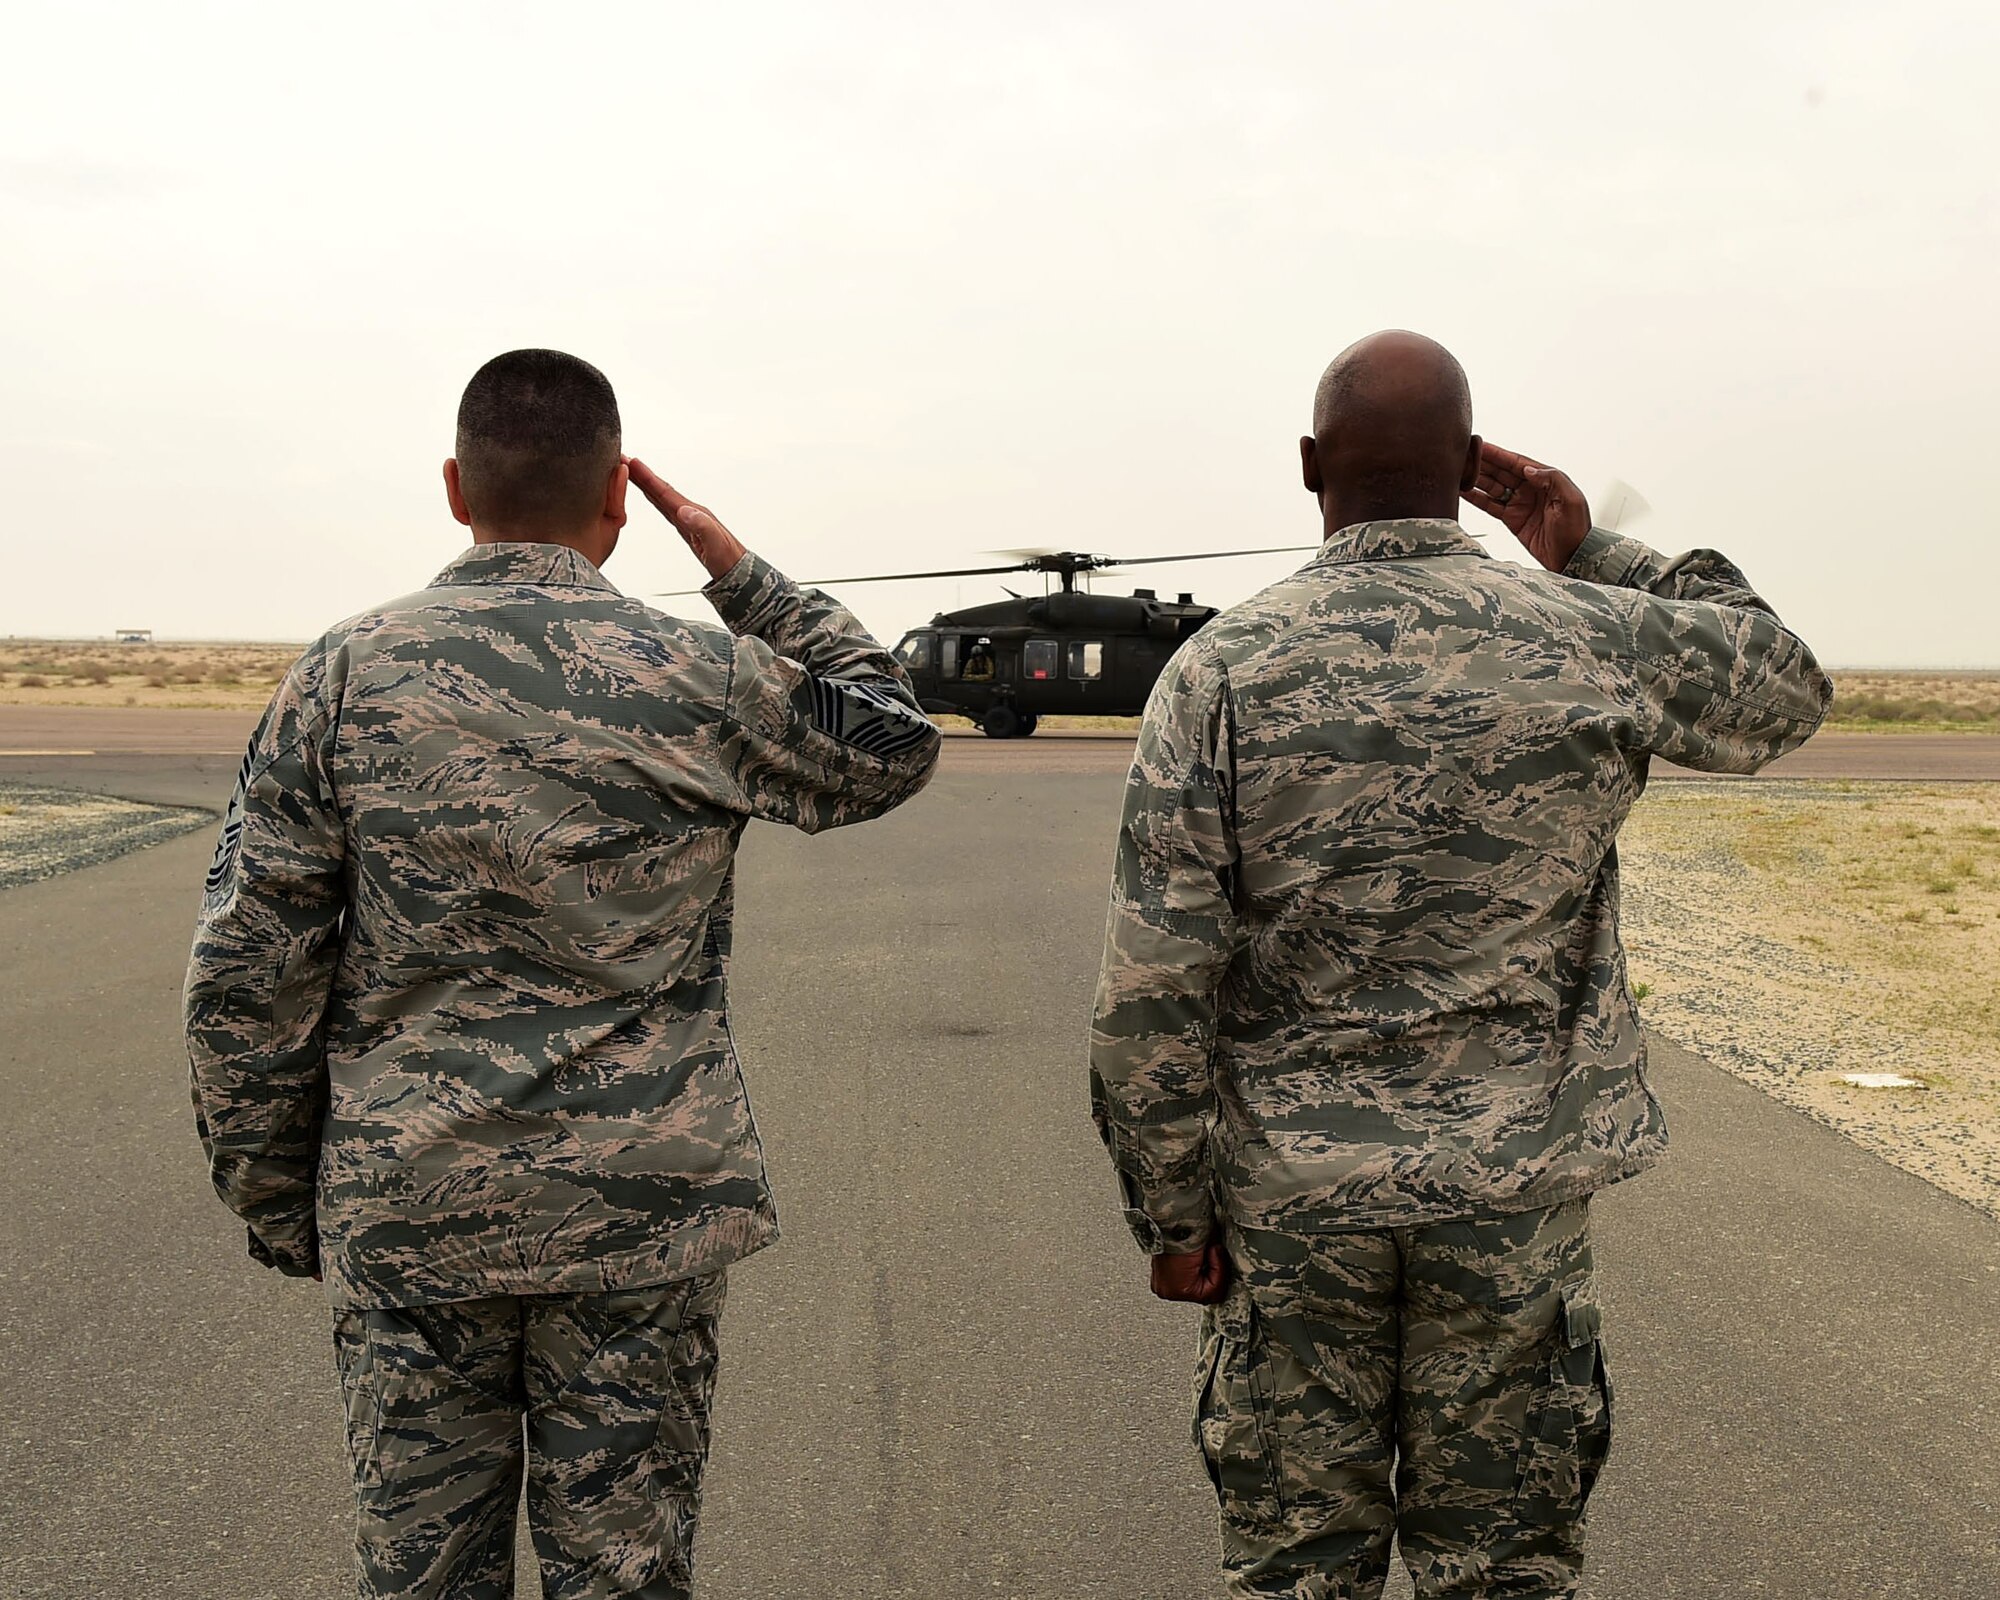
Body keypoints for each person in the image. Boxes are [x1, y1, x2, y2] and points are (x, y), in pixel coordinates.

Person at [184, 348, 940, 1599]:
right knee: (622, 1574)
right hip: (636, 1218)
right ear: (619, 500)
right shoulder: (700, 674)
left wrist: (279, 1193)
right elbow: (890, 736)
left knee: (421, 1575)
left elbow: (248, 965)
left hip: (413, 1202)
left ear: (452, 485)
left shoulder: (343, 673)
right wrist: (735, 573)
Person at [1088, 330, 1831, 1598]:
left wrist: (1171, 1216)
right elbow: (1780, 685)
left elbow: (1151, 987)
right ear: (1469, 463)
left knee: (1296, 1565)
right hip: (1509, 1198)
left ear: (1309, 464)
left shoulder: (1219, 669)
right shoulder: (1588, 633)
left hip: (1292, 1207)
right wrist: (1596, 548)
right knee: (1498, 1569)